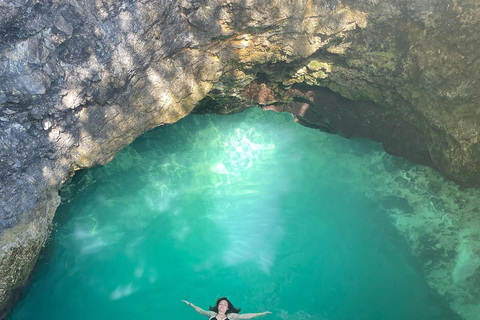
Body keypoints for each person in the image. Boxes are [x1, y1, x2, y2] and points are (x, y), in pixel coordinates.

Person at [182, 297, 271, 320]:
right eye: (221, 304)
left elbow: (246, 316)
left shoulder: (231, 316)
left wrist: (262, 313)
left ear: (227, 308)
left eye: (225, 304)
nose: (222, 305)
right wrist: (190, 304)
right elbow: (201, 311)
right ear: (218, 306)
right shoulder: (212, 314)